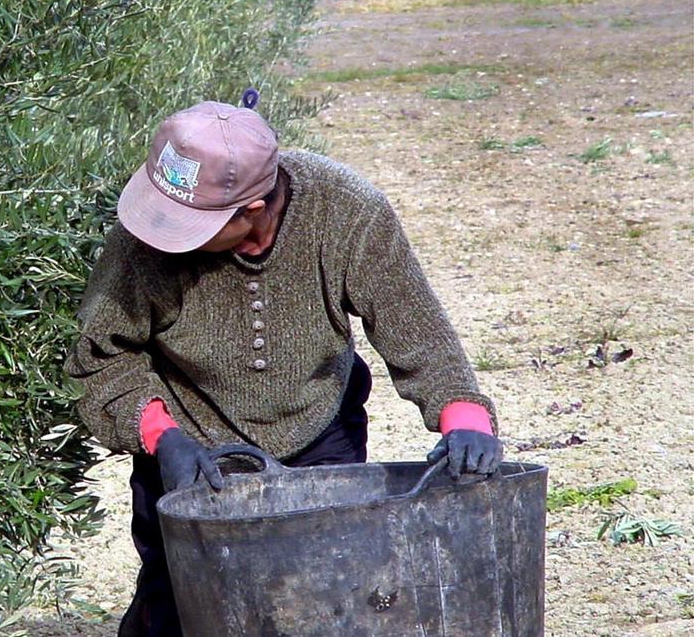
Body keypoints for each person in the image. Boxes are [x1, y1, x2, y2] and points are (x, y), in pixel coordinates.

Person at [64, 90, 503, 637]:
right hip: (188, 449)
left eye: (188, 224)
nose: (164, 233)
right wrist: (161, 436)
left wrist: (466, 419)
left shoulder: (346, 210)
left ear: (251, 211)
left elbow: (417, 327)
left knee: (321, 599)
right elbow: (100, 356)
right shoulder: (143, 240)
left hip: (321, 434)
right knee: (179, 604)